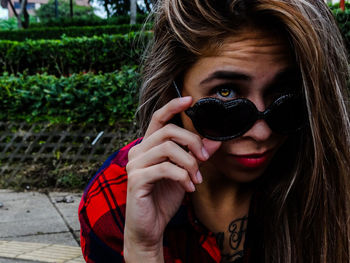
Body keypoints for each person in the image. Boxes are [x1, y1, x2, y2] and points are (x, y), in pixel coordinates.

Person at [78, 0, 350, 262]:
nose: (261, 133)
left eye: (284, 94)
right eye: (225, 93)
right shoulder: (118, 201)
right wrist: (144, 250)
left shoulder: (331, 179)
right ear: (172, 89)